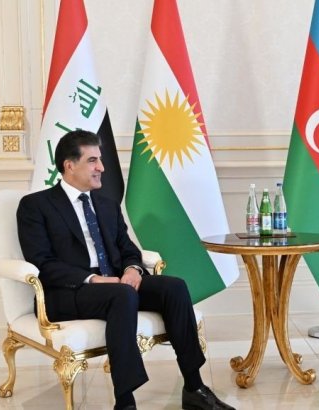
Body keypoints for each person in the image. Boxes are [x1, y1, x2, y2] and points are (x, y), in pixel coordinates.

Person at [17, 130, 235, 410]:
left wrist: (132, 269)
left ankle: (194, 387)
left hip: (115, 285)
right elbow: (42, 262)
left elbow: (128, 248)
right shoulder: (36, 206)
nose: (101, 167)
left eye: (100, 159)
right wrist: (93, 279)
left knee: (174, 287)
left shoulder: (106, 205)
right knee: (122, 295)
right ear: (69, 165)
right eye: (92, 160)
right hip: (69, 291)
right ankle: (125, 402)